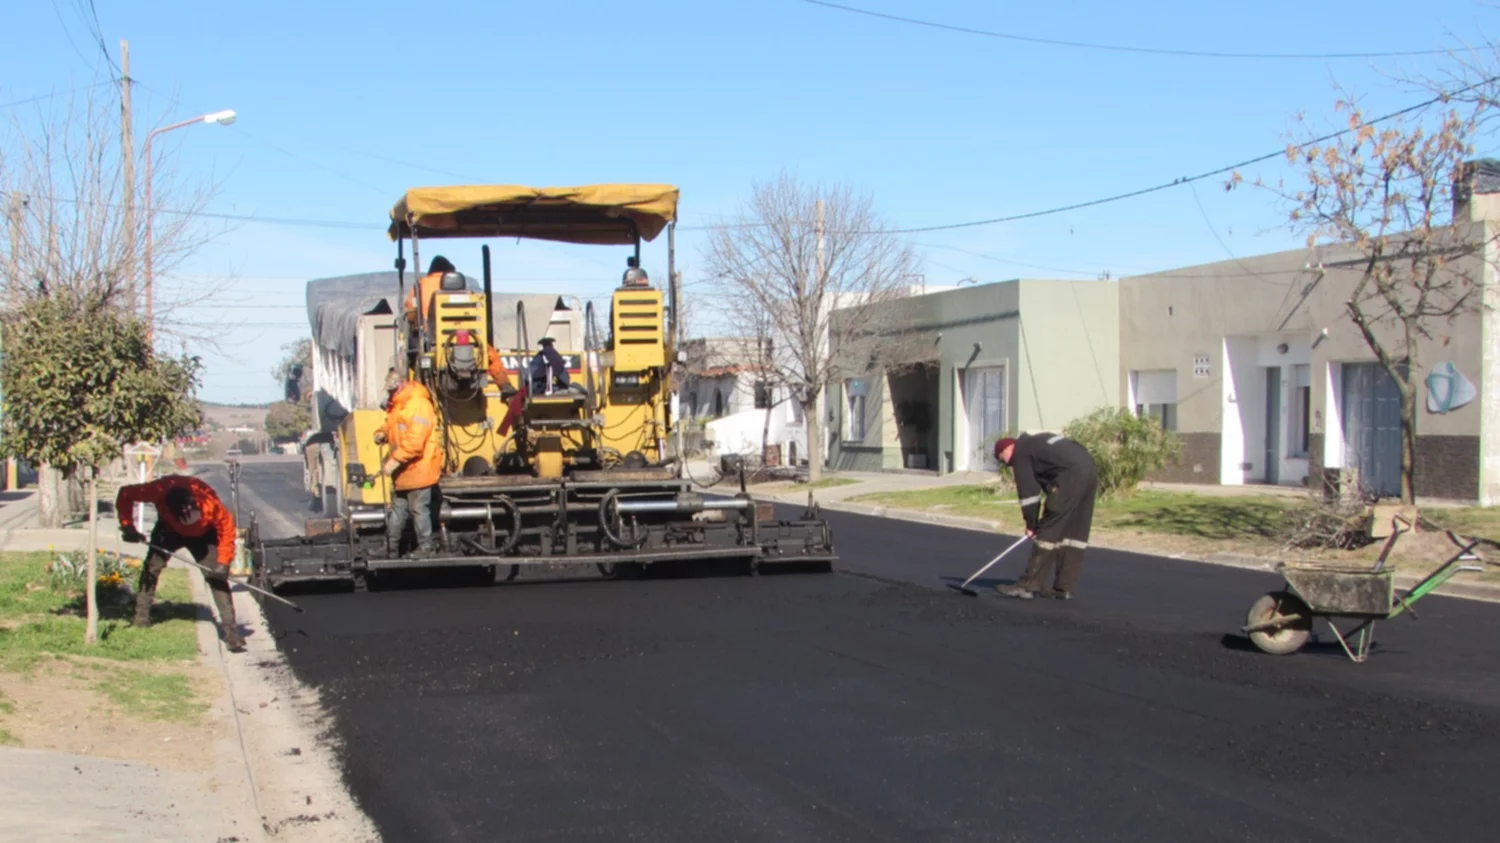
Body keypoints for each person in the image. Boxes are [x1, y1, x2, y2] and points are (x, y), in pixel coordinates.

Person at [116, 475, 245, 651]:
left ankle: (232, 633)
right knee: (151, 569)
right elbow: (125, 494)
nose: (188, 521)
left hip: (203, 535)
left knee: (216, 578)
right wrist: (128, 526)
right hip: (169, 530)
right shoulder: (157, 490)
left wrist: (223, 562)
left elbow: (227, 529)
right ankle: (141, 617)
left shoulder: (210, 504)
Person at [992, 432, 1100, 600]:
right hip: (1089, 471)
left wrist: (1032, 525)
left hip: (1069, 476)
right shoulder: (1038, 442)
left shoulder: (1021, 452)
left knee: (1048, 530)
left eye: (1002, 459)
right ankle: (1063, 588)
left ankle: (1027, 586)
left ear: (1006, 449)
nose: (1007, 464)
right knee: (1074, 533)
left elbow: (1029, 495)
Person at [373, 369, 443, 555]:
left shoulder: (419, 405)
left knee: (418, 509)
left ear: (401, 386)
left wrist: (393, 462)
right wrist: (382, 433)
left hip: (419, 468)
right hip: (403, 471)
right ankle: (391, 548)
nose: (389, 394)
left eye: (391, 391)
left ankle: (426, 547)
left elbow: (415, 442)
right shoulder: (399, 405)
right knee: (398, 510)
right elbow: (392, 424)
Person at [403, 255, 457, 326]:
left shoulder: (419, 286)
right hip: (454, 328)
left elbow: (411, 314)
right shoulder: (456, 284)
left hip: (427, 329)